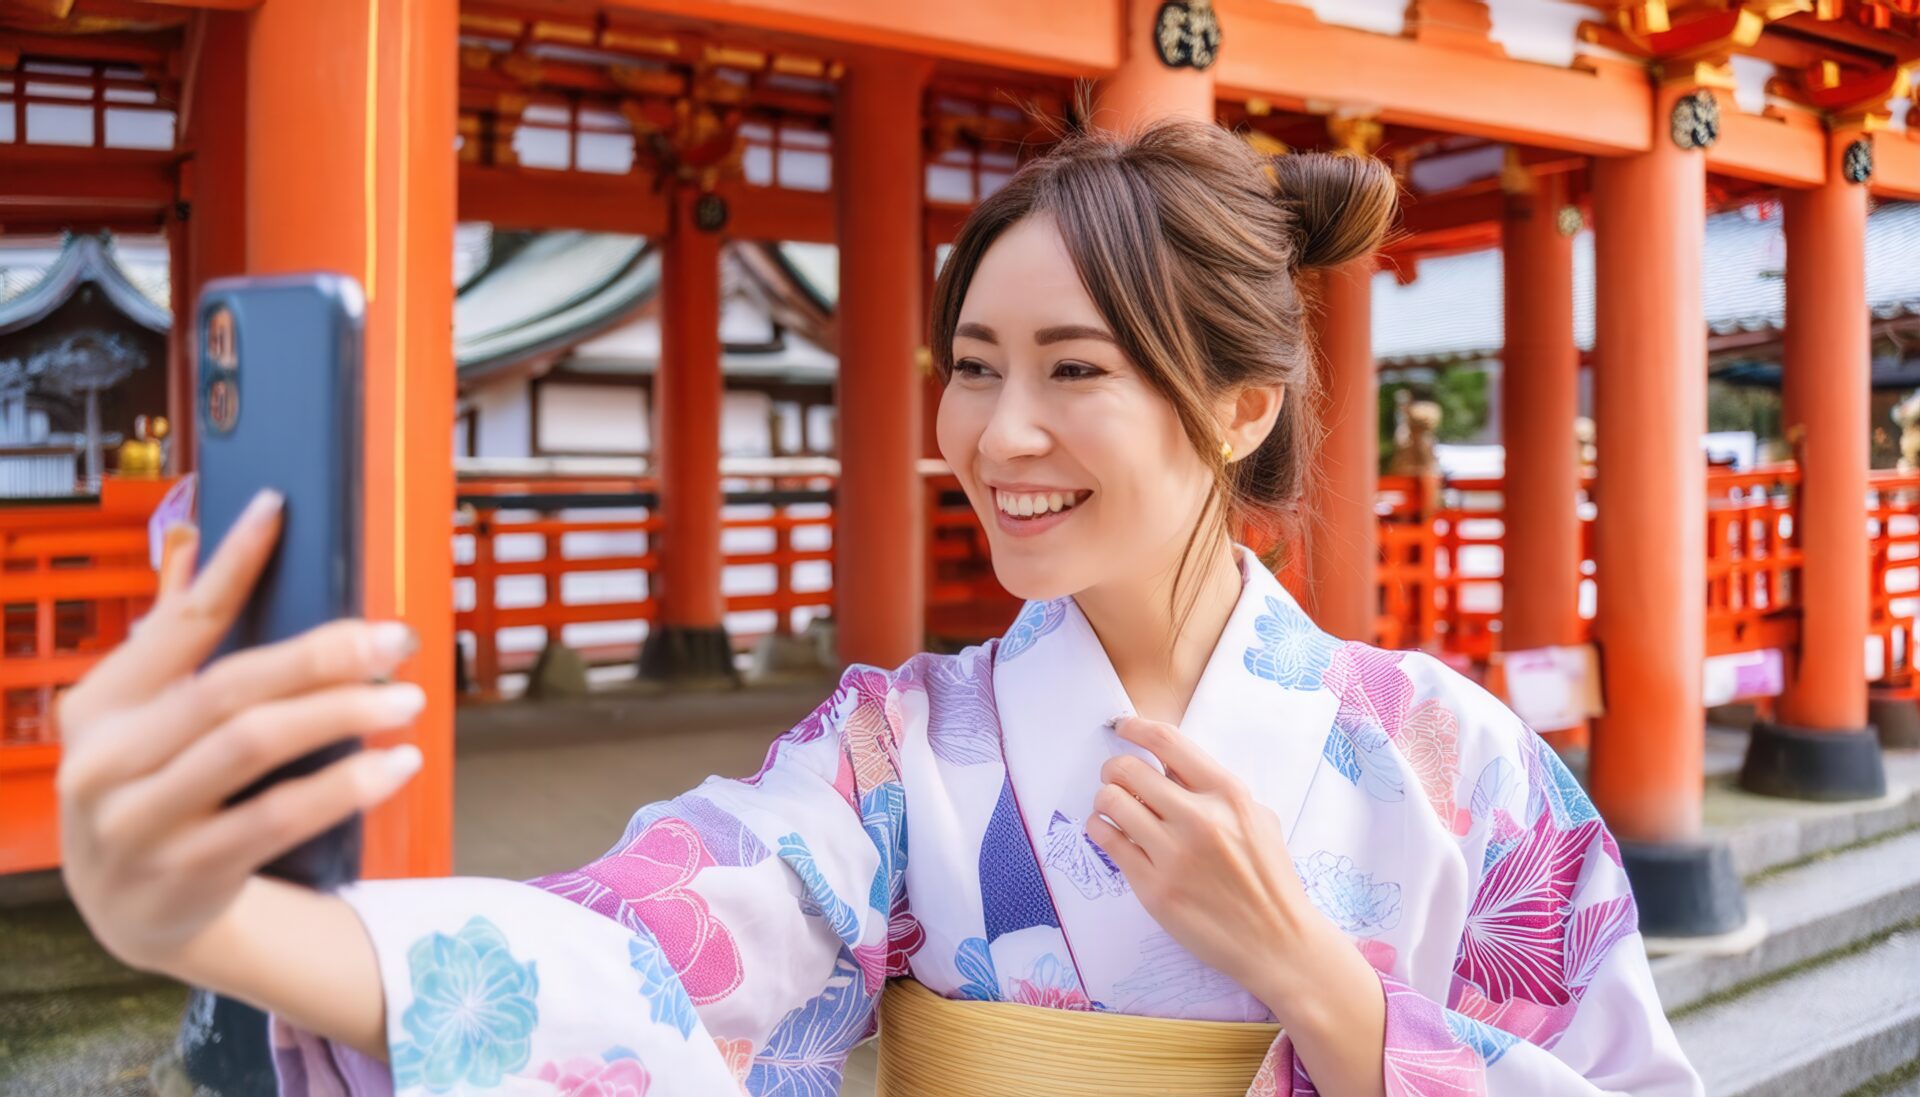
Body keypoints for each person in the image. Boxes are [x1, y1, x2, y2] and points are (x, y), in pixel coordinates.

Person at [53, 118, 1701, 1096]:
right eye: (972, 370)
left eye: (1075, 371)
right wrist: (212, 922)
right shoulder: (895, 754)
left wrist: (1316, 981)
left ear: (1241, 407)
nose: (998, 434)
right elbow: (652, 942)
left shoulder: (1456, 763)